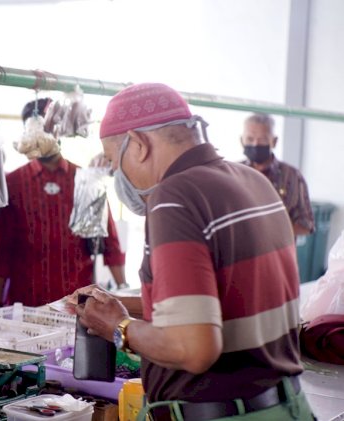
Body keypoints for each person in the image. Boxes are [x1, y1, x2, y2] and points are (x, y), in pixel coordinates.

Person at [73, 83, 313, 420]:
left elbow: (193, 347)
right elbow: (221, 300)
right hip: (286, 407)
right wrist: (115, 306)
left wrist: (119, 326)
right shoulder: (253, 182)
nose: (118, 177)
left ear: (139, 145)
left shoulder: (174, 198)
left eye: (115, 163)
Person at [0, 98, 126, 308]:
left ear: (60, 130)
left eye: (49, 128)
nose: (43, 134)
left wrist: (123, 291)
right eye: (37, 129)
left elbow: (110, 242)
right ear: (27, 132)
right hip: (26, 300)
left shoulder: (85, 179)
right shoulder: (13, 183)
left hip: (77, 300)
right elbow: (2, 247)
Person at [241, 113, 314, 236]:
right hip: (239, 252)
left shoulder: (292, 176)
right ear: (241, 141)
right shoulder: (232, 173)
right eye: (250, 139)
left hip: (280, 252)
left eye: (263, 139)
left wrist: (274, 234)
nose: (255, 144)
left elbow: (306, 224)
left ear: (274, 141)